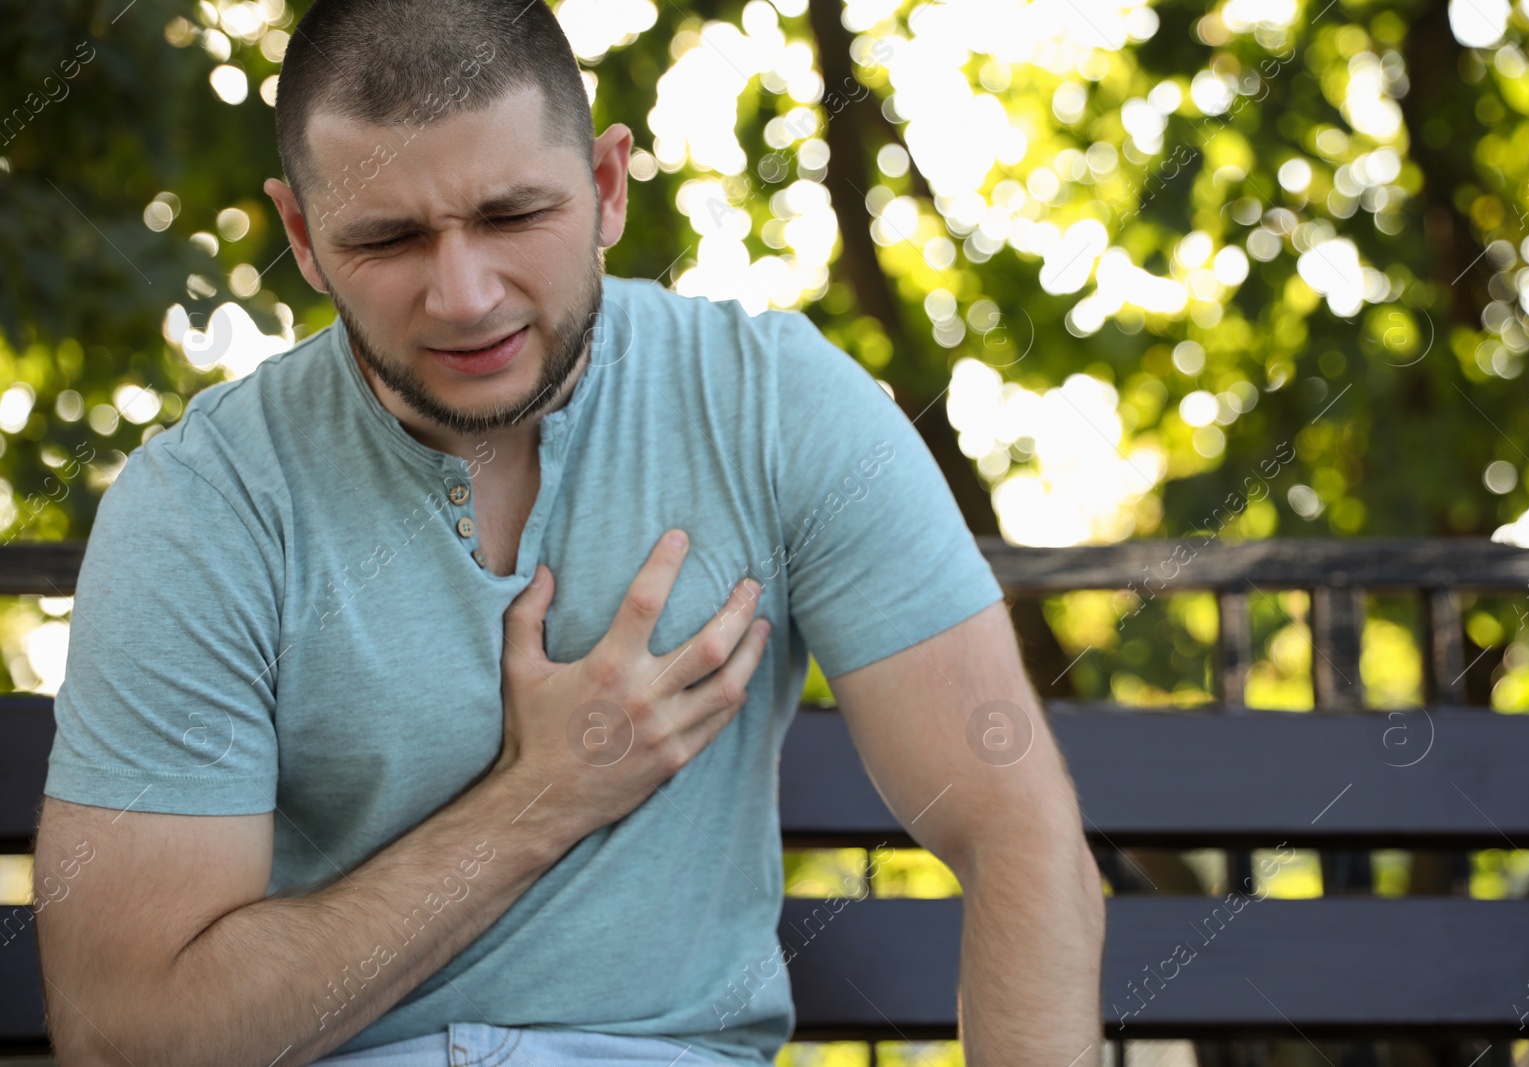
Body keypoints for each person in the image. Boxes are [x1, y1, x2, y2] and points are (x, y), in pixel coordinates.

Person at [33, 1, 1105, 1064]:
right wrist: (536, 804)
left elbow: (1016, 832)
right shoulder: (205, 501)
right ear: (304, 238)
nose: (463, 295)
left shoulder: (777, 405)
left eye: (510, 217)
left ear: (604, 185)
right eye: (389, 236)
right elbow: (133, 1035)